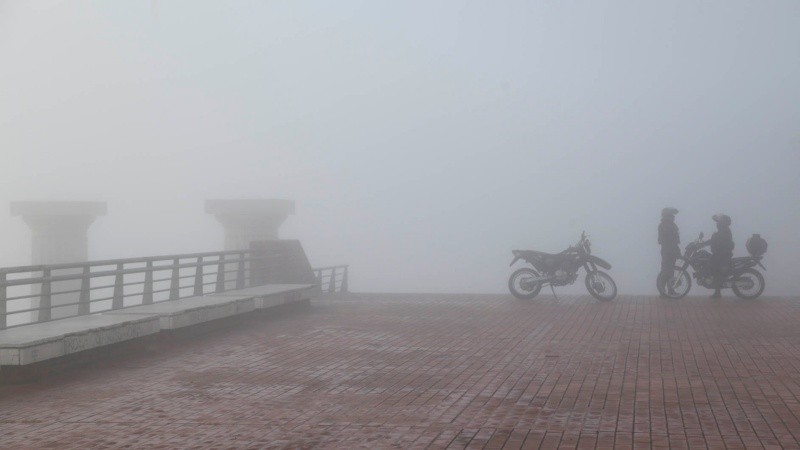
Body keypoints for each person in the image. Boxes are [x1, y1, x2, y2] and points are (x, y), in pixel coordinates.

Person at [701, 214, 734, 298]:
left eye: (718, 222)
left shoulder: (724, 231)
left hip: (722, 255)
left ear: (723, 223)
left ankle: (717, 291)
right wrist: (702, 244)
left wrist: (704, 244)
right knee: (712, 266)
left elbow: (716, 241)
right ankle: (717, 292)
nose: (717, 224)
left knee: (712, 267)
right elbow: (713, 240)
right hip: (720, 254)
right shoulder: (723, 230)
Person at [658, 207, 681, 297]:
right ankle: (662, 291)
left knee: (671, 271)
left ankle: (670, 290)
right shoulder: (664, 226)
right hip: (667, 251)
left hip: (672, 251)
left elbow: (675, 240)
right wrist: (672, 248)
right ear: (667, 216)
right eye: (671, 215)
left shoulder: (672, 225)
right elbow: (663, 240)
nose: (673, 217)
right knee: (666, 271)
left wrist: (677, 250)